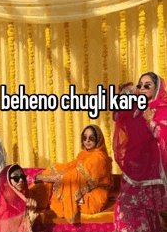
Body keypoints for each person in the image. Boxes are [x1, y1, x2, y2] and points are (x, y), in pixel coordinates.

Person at [113, 72, 167, 232]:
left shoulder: (163, 109)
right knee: (125, 212)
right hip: (133, 172)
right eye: (139, 85)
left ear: (156, 88)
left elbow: (163, 136)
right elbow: (118, 117)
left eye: (147, 85)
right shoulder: (135, 108)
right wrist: (122, 95)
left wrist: (151, 122)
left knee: (150, 220)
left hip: (153, 177)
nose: (142, 88)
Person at [30, 125, 112, 223]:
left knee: (64, 186)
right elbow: (67, 168)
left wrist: (42, 177)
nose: (87, 141)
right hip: (82, 191)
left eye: (91, 138)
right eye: (84, 138)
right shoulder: (83, 154)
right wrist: (49, 172)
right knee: (55, 168)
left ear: (98, 140)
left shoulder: (99, 158)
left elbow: (72, 177)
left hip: (92, 198)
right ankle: (34, 201)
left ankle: (34, 202)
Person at [0, 164, 38, 232]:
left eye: (23, 177)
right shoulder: (4, 209)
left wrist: (31, 211)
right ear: (6, 182)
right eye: (16, 178)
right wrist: (31, 214)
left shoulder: (23, 201)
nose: (21, 180)